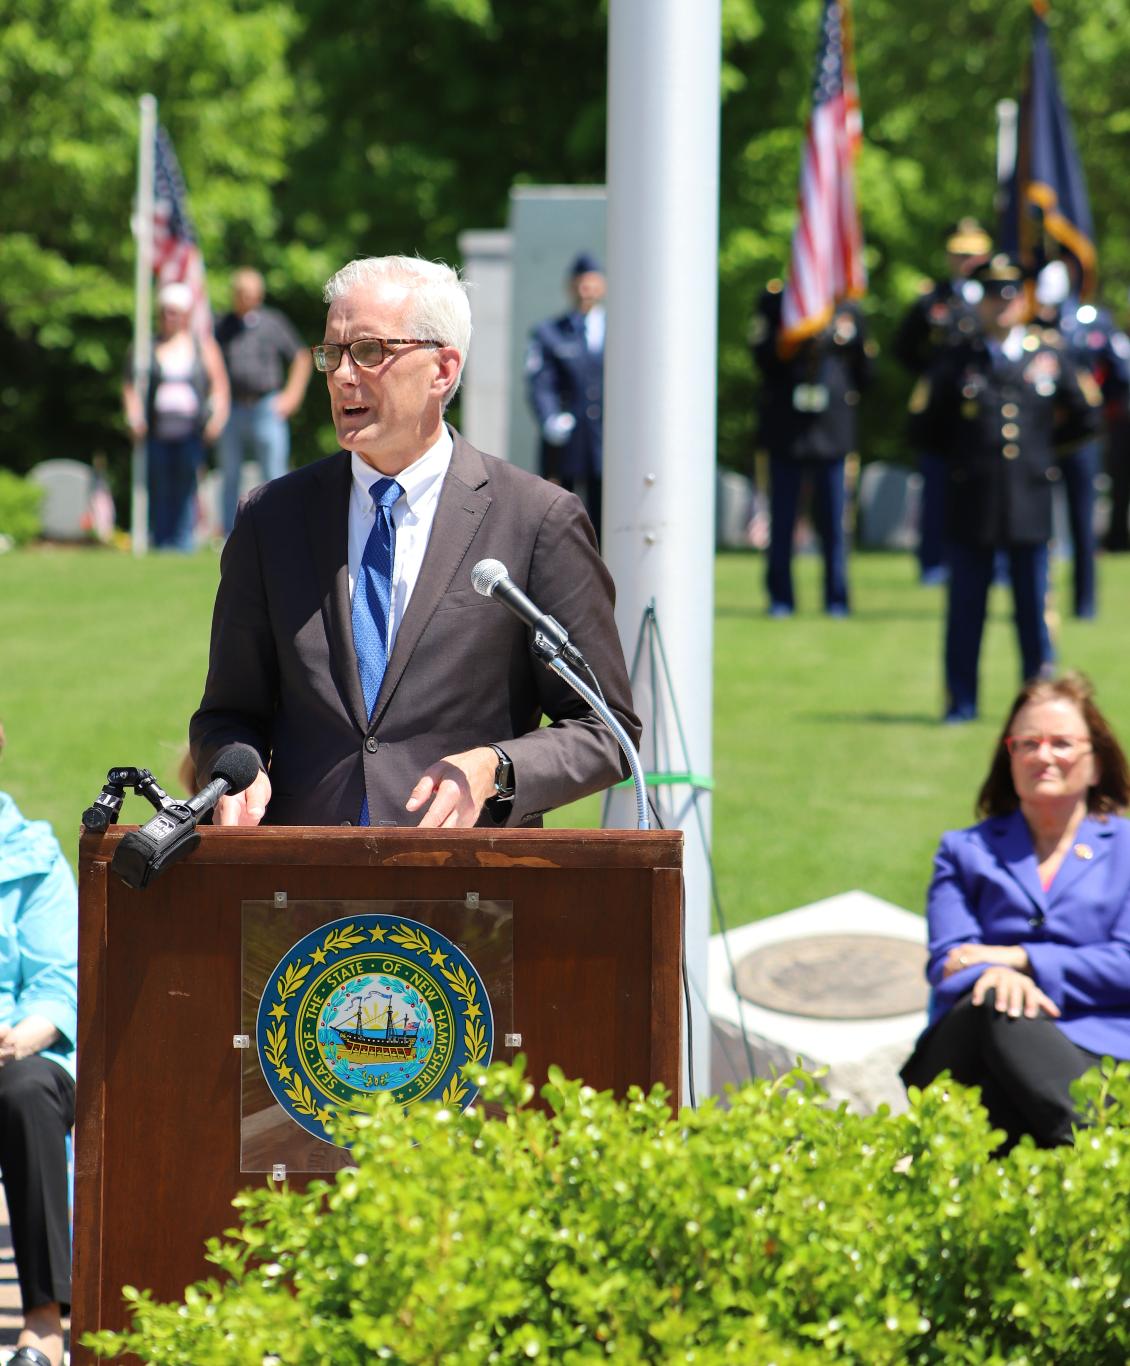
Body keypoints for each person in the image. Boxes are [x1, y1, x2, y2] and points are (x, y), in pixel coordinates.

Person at [190, 255, 639, 828]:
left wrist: (498, 766)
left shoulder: (536, 520)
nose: (343, 375)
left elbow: (606, 730)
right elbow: (226, 716)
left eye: (370, 352)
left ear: (443, 370)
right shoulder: (271, 518)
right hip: (304, 891)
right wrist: (238, 769)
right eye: (333, 353)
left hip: (469, 895)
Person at [900, 673, 1130, 1152]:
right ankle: (1103, 1161)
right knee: (995, 1006)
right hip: (968, 1043)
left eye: (1061, 742)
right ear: (1010, 758)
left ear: (1095, 762)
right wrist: (998, 978)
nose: (1043, 756)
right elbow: (948, 961)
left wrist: (1020, 961)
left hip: (1100, 1057)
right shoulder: (964, 851)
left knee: (1008, 1103)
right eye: (1027, 743)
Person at [909, 254, 1102, 723]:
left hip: (1029, 502)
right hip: (972, 501)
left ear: (1024, 300)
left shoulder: (1047, 355)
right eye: (995, 294)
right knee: (965, 614)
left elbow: (1085, 416)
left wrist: (1042, 457)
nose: (1004, 303)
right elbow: (926, 428)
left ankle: (1037, 708)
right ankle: (961, 701)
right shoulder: (958, 359)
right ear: (982, 302)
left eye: (1012, 294)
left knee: (1033, 615)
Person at [0, 723, 79, 1366]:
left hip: (15, 1053)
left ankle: (45, 1325)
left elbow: (58, 983)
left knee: (28, 1093)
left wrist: (17, 1037)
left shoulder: (32, 855)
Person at [750, 279, 872, 617]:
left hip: (832, 431)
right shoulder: (776, 302)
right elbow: (761, 359)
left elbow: (864, 372)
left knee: (835, 522)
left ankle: (836, 598)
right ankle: (780, 598)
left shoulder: (847, 307)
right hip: (786, 430)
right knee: (782, 521)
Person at [892, 217, 992, 584]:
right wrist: (933, 375)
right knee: (936, 486)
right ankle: (932, 561)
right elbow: (903, 347)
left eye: (973, 254)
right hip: (941, 409)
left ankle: (988, 561)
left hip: (984, 406)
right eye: (959, 254)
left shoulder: (996, 296)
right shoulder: (933, 299)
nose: (966, 262)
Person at [1033, 259, 1130, 612]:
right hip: (1039, 438)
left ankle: (1085, 601)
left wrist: (1100, 411)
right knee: (1035, 525)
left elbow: (1122, 371)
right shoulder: (1031, 325)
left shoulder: (1093, 321)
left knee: (1082, 522)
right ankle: (1039, 597)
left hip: (1080, 438)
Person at [122, 281, 229, 551]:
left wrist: (217, 418)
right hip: (158, 431)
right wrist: (134, 416)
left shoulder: (202, 346)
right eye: (166, 312)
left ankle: (183, 542)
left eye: (176, 312)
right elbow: (130, 385)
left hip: (191, 432)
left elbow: (219, 384)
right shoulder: (145, 346)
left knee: (186, 487)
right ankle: (161, 541)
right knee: (160, 486)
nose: (171, 317)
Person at [214, 268, 313, 536]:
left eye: (251, 293)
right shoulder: (222, 325)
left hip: (266, 407)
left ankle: (278, 530)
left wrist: (291, 396)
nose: (247, 298)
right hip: (232, 408)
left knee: (274, 474)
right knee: (229, 475)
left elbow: (301, 357)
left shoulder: (272, 322)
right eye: (241, 293)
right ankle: (229, 535)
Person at [524, 251, 605, 536]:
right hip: (568, 441)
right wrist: (550, 418)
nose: (587, 291)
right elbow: (541, 381)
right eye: (582, 284)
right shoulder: (550, 332)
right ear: (571, 287)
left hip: (605, 441)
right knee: (562, 516)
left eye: (593, 283)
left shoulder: (617, 330)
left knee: (604, 516)